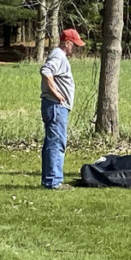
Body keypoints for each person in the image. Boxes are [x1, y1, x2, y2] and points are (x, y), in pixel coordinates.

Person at [40, 28, 86, 189]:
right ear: (67, 43)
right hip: (56, 106)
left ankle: (50, 180)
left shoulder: (59, 56)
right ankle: (54, 181)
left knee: (52, 142)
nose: (76, 48)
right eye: (75, 45)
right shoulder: (58, 56)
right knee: (56, 142)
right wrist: (57, 93)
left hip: (55, 106)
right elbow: (46, 71)